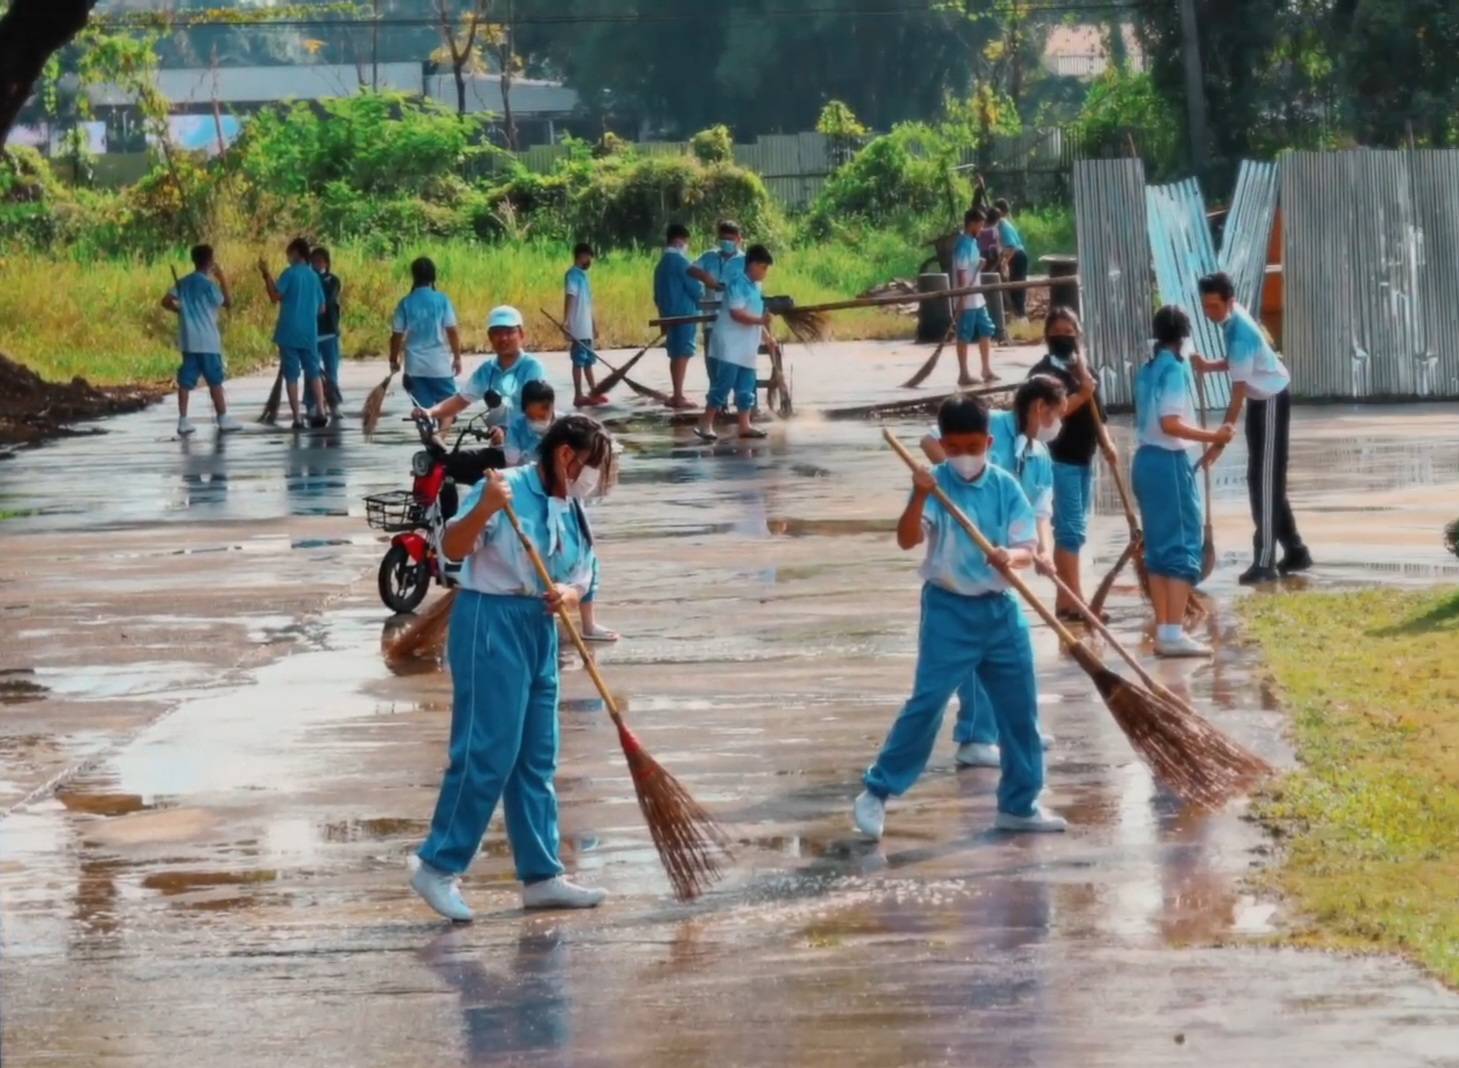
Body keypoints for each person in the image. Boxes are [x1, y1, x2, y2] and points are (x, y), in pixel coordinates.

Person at [409, 415, 617, 921]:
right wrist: (483, 508)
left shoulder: (573, 506)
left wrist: (567, 593)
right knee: (486, 752)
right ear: (566, 455)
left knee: (535, 757)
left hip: (539, 629)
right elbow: (451, 550)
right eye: (589, 467)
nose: (591, 479)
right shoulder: (505, 488)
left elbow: (582, 572)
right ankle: (437, 866)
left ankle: (542, 875)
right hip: (489, 622)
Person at [853, 394, 1066, 841]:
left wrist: (1013, 556)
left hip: (1001, 611)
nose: (964, 457)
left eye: (973, 447)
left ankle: (1020, 804)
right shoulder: (934, 484)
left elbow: (1027, 547)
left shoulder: (1006, 486)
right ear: (942, 446)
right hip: (949, 609)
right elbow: (907, 540)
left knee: (1020, 711)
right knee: (927, 704)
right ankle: (877, 791)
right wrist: (919, 497)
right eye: (954, 449)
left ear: (988, 441)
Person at [921, 375, 1065, 765]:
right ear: (1040, 408)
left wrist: (1042, 554)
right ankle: (975, 737)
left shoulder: (1039, 456)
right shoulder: (988, 425)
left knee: (1011, 655)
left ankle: (1018, 727)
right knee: (969, 653)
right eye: (1057, 414)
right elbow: (929, 441)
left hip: (1004, 560)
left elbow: (1039, 512)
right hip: (964, 558)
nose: (1058, 424)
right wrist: (958, 491)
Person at [1194, 271, 1311, 584]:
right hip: (1262, 401)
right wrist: (1209, 366)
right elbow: (1239, 363)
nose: (1210, 313)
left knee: (1265, 483)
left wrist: (1222, 437)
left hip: (1271, 399)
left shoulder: (1240, 329)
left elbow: (1239, 390)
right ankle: (1296, 551)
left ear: (1230, 301)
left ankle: (1265, 562)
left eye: (1215, 306)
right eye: (1206, 307)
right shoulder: (1230, 322)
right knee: (1262, 479)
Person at [1132, 306, 1235, 657]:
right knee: (1179, 547)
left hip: (1145, 462)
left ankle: (1166, 629)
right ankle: (1173, 632)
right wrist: (1214, 436)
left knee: (1159, 552)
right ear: (1184, 338)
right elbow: (1170, 424)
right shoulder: (1174, 370)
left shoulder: (1148, 369)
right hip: (1167, 464)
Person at [1026, 307, 1101, 621]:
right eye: (1057, 334)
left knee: (1074, 532)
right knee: (1069, 531)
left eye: (1069, 334)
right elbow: (1048, 416)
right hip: (1058, 461)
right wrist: (1083, 394)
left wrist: (1108, 445)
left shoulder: (1085, 373)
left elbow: (1101, 415)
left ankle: (1065, 601)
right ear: (1047, 337)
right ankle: (1077, 600)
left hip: (1084, 459)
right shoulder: (1042, 375)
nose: (1063, 340)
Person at [695, 244, 778, 442]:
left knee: (746, 386)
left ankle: (745, 425)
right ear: (754, 265)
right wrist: (760, 322)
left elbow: (757, 316)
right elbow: (737, 313)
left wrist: (767, 337)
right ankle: (705, 423)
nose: (765, 273)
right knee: (723, 384)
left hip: (746, 345)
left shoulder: (755, 287)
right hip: (730, 344)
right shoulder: (737, 284)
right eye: (764, 268)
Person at [418, 305, 548, 430]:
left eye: (509, 332)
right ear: (490, 337)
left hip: (528, 442)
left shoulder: (532, 368)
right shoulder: (487, 370)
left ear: (521, 334)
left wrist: (507, 431)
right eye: (497, 333)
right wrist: (429, 412)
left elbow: (538, 412)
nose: (503, 338)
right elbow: (461, 400)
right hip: (499, 440)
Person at [162, 243, 242, 436]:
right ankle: (222, 417)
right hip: (208, 341)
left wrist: (177, 308)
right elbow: (228, 303)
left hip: (189, 341)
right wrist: (221, 277)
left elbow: (165, 301)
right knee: (215, 380)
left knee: (186, 381)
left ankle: (183, 420)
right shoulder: (209, 285)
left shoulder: (183, 283)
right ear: (210, 262)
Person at [258, 236, 328, 430]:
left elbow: (275, 296)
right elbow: (322, 308)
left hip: (289, 332)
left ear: (296, 253)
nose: (287, 257)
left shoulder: (289, 274)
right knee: (313, 372)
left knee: (291, 375)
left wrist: (266, 275)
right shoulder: (314, 276)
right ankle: (321, 411)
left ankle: (297, 418)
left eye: (289, 253)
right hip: (309, 332)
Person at [390, 256, 464, 419]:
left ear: (414, 276)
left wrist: (393, 359)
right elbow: (452, 331)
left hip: (414, 366)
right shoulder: (442, 300)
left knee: (423, 409)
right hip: (439, 365)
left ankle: (429, 438)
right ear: (433, 276)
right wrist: (457, 358)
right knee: (448, 408)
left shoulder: (406, 302)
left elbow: (396, 335)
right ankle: (440, 438)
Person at [653, 222, 704, 409]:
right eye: (685, 242)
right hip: (685, 314)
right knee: (682, 354)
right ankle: (678, 395)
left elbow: (657, 295)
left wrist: (662, 317)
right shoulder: (683, 263)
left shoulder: (661, 265)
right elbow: (696, 290)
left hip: (668, 315)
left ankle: (676, 393)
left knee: (675, 354)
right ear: (679, 241)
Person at [691, 220, 746, 385]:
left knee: (735, 359)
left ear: (739, 239)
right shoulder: (709, 257)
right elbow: (691, 269)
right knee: (712, 358)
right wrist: (706, 278)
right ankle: (717, 397)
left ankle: (740, 396)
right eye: (723, 239)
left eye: (730, 239)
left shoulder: (745, 261)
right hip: (711, 318)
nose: (726, 242)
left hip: (735, 318)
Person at [952, 209, 998, 386]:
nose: (982, 229)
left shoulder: (972, 242)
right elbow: (962, 272)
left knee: (986, 329)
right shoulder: (962, 244)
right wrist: (961, 299)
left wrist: (980, 262)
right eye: (980, 225)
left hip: (977, 298)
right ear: (971, 223)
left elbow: (971, 265)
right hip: (967, 299)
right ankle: (963, 374)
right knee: (964, 334)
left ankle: (986, 369)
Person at [564, 242, 607, 408]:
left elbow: (589, 303)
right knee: (578, 360)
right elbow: (570, 297)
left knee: (589, 360)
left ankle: (594, 392)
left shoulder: (584, 276)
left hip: (587, 327)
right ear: (582, 256)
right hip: (577, 325)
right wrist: (567, 320)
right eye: (589, 257)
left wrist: (594, 325)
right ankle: (578, 395)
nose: (590, 260)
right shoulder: (572, 275)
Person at [310, 246, 343, 419]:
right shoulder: (308, 278)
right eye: (313, 260)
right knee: (312, 371)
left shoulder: (333, 280)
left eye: (320, 260)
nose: (317, 263)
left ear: (326, 262)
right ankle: (313, 404)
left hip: (329, 331)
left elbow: (329, 298)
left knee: (331, 370)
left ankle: (334, 404)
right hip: (311, 332)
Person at [994, 198, 1029, 321]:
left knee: (1017, 287)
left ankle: (1020, 316)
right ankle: (1020, 315)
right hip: (1018, 256)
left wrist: (1003, 262)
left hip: (1017, 256)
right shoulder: (1005, 223)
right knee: (1016, 287)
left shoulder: (1003, 224)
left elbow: (1011, 247)